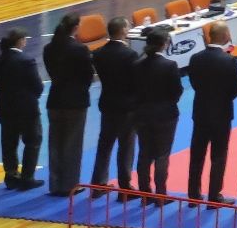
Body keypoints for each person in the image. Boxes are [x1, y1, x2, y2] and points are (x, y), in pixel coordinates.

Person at [186, 20, 237, 203]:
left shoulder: (195, 58)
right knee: (218, 156)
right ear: (225, 36)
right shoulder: (229, 61)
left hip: (200, 112)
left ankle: (193, 194)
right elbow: (236, 87)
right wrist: (224, 99)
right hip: (221, 113)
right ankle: (214, 196)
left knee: (197, 155)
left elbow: (194, 83)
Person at [42, 12, 94, 197]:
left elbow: (51, 72)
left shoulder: (49, 48)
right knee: (72, 144)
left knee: (55, 143)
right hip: (75, 101)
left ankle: (55, 184)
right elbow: (88, 75)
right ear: (76, 28)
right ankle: (70, 185)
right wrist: (81, 89)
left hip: (55, 99)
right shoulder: (80, 49)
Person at [132, 26, 183, 196]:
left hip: (142, 114)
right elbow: (177, 91)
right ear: (164, 43)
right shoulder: (170, 65)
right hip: (165, 115)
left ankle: (145, 192)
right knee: (162, 154)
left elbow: (134, 90)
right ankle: (161, 194)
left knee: (144, 153)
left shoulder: (137, 65)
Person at [91, 13, 139, 192]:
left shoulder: (98, 53)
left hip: (108, 103)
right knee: (126, 147)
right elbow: (135, 81)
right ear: (123, 30)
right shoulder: (130, 54)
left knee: (104, 145)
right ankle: (125, 186)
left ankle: (98, 184)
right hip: (127, 107)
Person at [0, 27, 44, 190]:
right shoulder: (27, 60)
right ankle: (28, 177)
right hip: (26, 108)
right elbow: (38, 86)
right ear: (21, 41)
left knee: (9, 142)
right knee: (32, 141)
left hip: (4, 107)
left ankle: (11, 176)